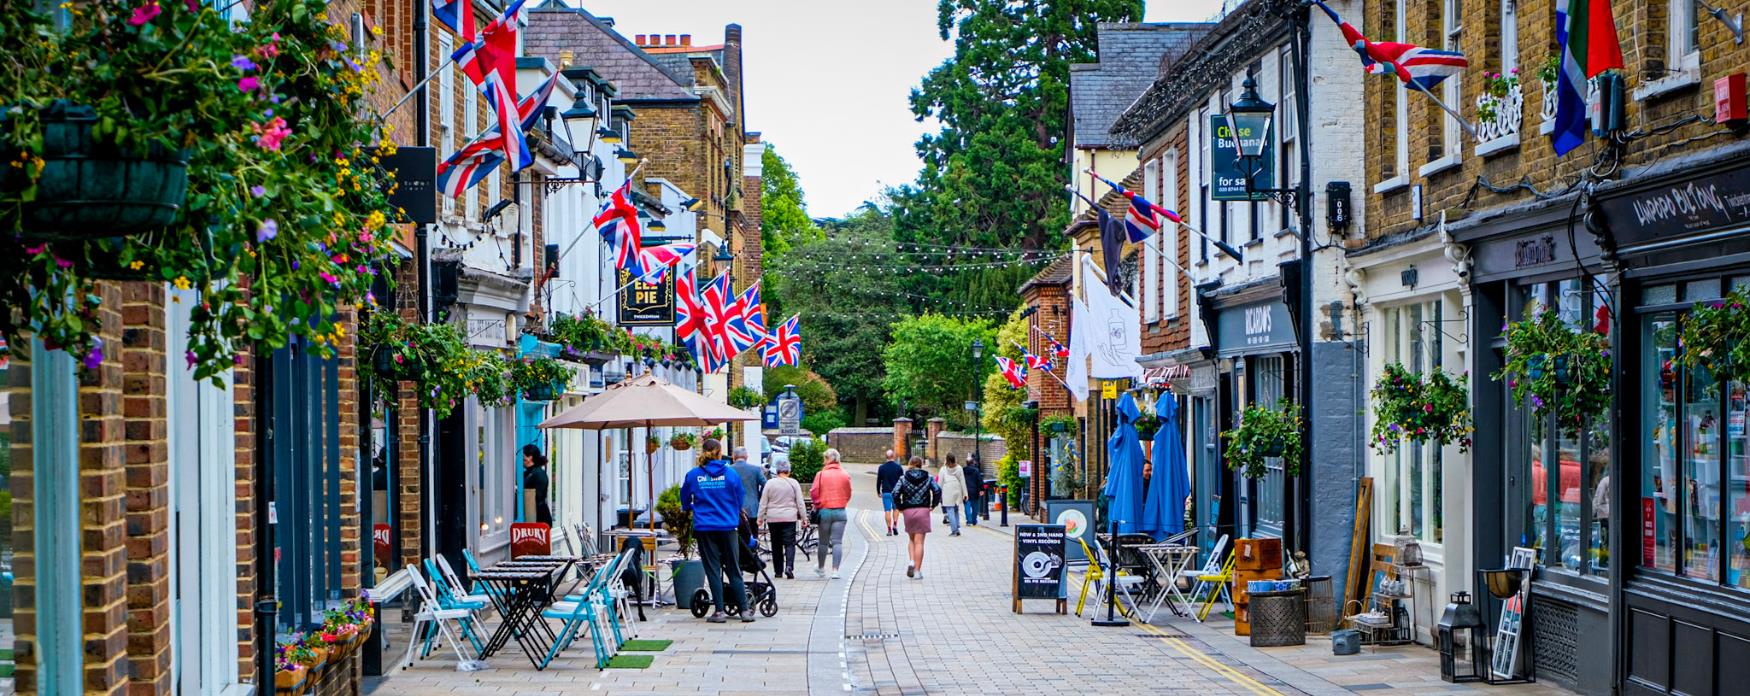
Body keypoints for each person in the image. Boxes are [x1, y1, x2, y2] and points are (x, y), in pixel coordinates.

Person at [680, 439, 755, 623]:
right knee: (733, 568)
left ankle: (719, 612)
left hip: (705, 527)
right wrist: (731, 510)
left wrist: (690, 507)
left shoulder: (694, 475)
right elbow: (739, 499)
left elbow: (684, 497)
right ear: (720, 453)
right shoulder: (730, 475)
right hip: (728, 526)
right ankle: (744, 610)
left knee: (713, 568)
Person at [758, 460, 807, 579]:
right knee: (790, 543)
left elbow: (763, 502)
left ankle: (778, 571)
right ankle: (789, 567)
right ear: (788, 471)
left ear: (777, 471)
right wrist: (804, 518)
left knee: (776, 544)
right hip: (789, 517)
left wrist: (760, 518)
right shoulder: (794, 483)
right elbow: (800, 503)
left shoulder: (770, 483)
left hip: (773, 518)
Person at [809, 448, 853, 579]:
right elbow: (849, 492)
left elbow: (814, 492)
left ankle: (821, 568)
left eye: (824, 458)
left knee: (823, 542)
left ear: (829, 459)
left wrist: (818, 504)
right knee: (837, 542)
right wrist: (843, 502)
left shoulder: (821, 475)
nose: (823, 461)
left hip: (825, 511)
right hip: (840, 511)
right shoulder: (845, 474)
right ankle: (835, 571)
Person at [894, 456, 940, 578]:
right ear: (920, 465)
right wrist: (933, 505)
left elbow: (895, 493)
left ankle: (911, 561)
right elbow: (937, 491)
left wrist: (900, 507)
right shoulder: (928, 477)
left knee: (911, 539)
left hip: (908, 511)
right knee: (919, 542)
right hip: (923, 510)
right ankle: (917, 571)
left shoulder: (903, 478)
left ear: (909, 464)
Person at [731, 446, 767, 521]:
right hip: (752, 508)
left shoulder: (728, 470)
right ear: (746, 457)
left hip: (733, 509)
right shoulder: (756, 469)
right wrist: (759, 496)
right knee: (753, 532)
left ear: (733, 457)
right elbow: (766, 485)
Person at [937, 454, 968, 536]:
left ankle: (954, 530)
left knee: (950, 510)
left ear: (946, 460)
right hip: (957, 489)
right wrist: (965, 493)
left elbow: (939, 483)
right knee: (956, 509)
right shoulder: (959, 468)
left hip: (948, 490)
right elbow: (962, 481)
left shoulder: (943, 469)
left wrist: (938, 494)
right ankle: (957, 526)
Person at [521, 444, 552, 525]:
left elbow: (539, 496)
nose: (521, 459)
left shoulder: (538, 474)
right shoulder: (528, 473)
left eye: (523, 456)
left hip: (539, 518)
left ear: (530, 457)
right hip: (534, 515)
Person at [877, 449, 904, 536]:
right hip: (896, 492)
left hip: (886, 492)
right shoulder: (899, 467)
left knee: (887, 511)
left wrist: (878, 491)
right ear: (893, 456)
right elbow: (902, 481)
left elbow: (879, 481)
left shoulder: (881, 468)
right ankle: (895, 525)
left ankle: (889, 530)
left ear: (886, 457)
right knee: (896, 509)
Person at [963, 453, 985, 527]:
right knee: (975, 506)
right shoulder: (976, 471)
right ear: (973, 462)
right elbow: (979, 480)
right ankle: (974, 520)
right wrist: (982, 489)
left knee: (967, 506)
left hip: (965, 491)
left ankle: (969, 521)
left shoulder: (963, 470)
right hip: (975, 490)